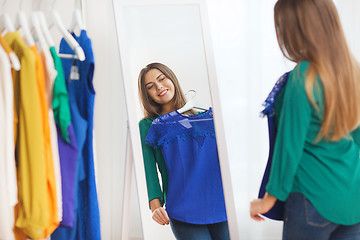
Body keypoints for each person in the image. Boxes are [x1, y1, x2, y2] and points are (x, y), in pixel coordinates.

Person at [250, 0, 360, 239]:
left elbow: (289, 145)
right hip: (352, 198)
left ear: (294, 30)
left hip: (313, 198)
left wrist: (269, 198)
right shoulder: (353, 72)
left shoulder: (304, 76)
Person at [138, 62, 230, 240]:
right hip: (183, 208)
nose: (159, 87)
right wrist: (155, 204)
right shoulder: (148, 125)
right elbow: (148, 168)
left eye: (162, 79)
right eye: (150, 87)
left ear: (171, 78)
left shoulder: (210, 117)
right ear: (147, 94)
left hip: (221, 203)